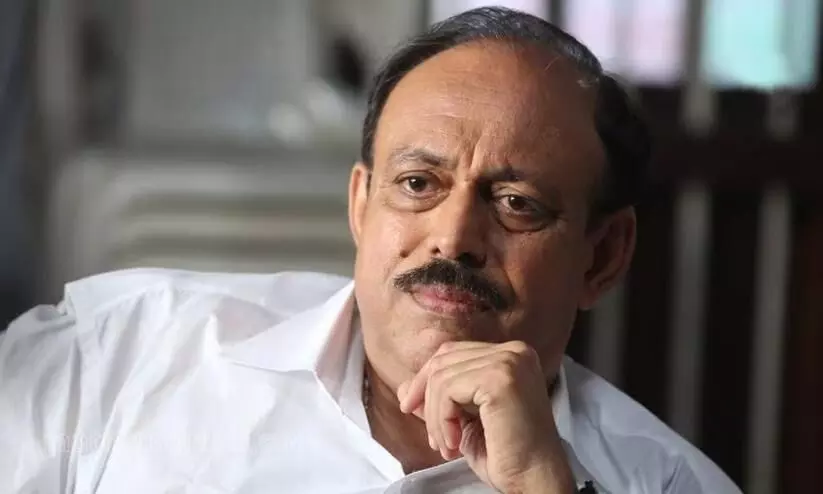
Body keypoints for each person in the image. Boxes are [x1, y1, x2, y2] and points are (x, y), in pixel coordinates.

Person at [0, 7, 741, 494]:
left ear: (602, 256)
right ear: (361, 205)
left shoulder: (666, 483)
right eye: (418, 184)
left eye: (516, 203)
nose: (453, 237)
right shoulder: (117, 358)